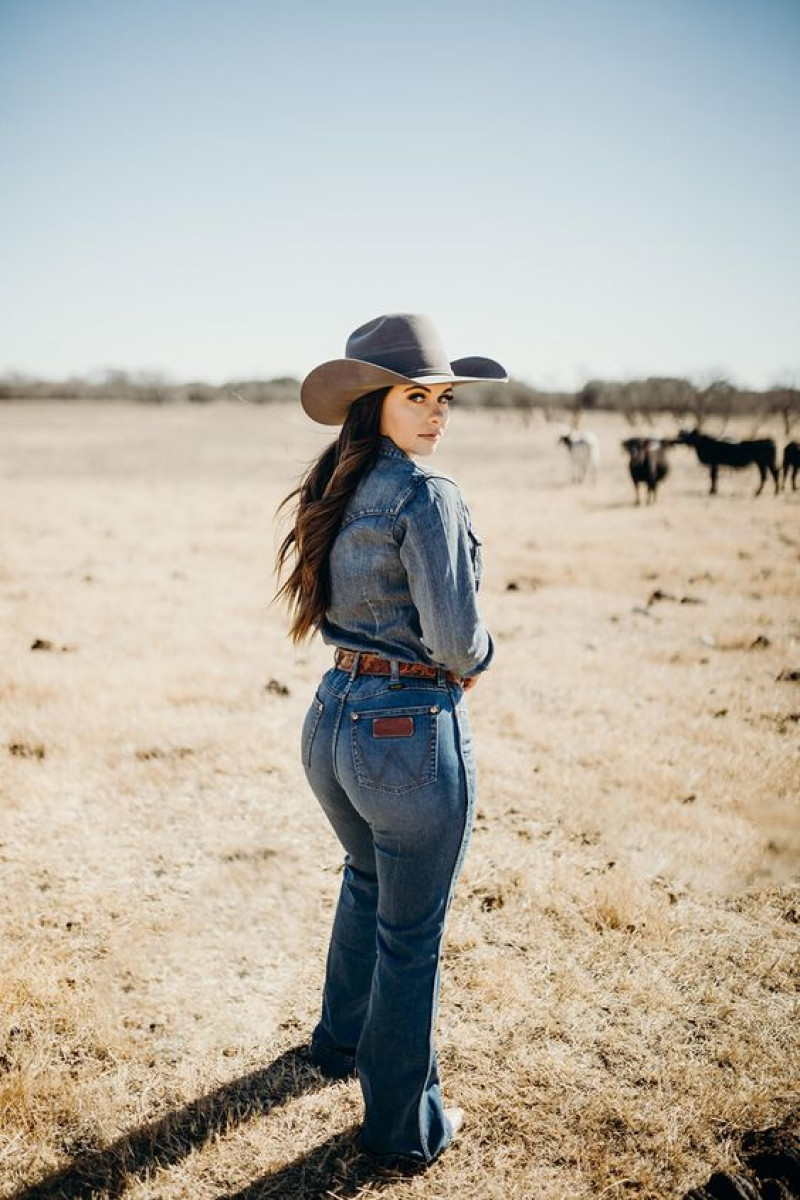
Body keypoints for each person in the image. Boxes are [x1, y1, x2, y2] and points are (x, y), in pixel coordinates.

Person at [275, 313, 507, 1167]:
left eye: (445, 398)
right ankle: (400, 1131)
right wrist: (477, 657)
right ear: (374, 401)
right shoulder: (424, 494)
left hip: (332, 717)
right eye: (420, 396)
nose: (439, 413)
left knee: (365, 878)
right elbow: (456, 641)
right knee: (410, 933)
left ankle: (338, 1043)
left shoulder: (337, 482)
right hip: (407, 731)